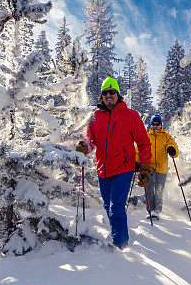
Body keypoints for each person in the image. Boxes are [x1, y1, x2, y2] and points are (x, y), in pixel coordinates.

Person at [76, 77, 152, 249]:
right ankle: (118, 235)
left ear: (118, 94)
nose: (109, 95)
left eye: (112, 92)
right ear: (101, 96)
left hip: (124, 168)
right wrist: (83, 148)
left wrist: (145, 166)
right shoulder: (94, 117)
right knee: (107, 206)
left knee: (116, 207)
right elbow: (91, 141)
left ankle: (121, 246)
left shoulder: (131, 116)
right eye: (105, 92)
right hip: (103, 169)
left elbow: (144, 143)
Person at [142, 115, 178, 220]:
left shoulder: (167, 136)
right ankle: (150, 210)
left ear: (161, 125)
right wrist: (136, 161)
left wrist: (172, 150)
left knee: (159, 190)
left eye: (157, 124)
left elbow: (173, 148)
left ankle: (157, 211)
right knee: (149, 187)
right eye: (153, 124)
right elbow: (140, 150)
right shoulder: (146, 136)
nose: (155, 126)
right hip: (149, 166)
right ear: (151, 125)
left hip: (162, 167)